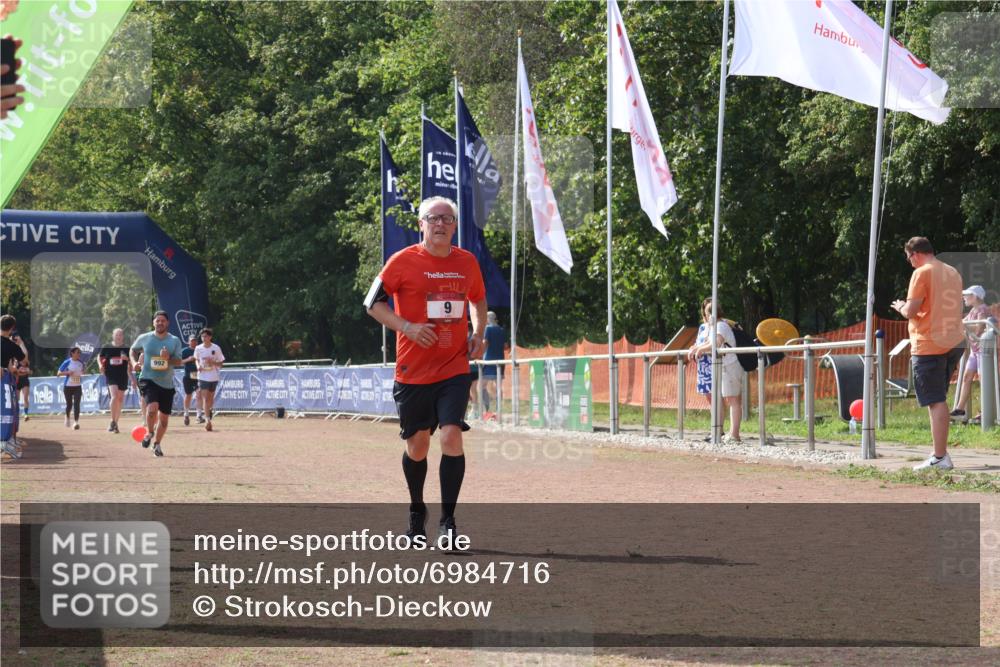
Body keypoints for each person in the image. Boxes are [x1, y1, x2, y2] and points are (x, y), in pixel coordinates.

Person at [364, 196, 487, 545]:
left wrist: (478, 334)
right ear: (421, 224)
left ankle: (448, 523)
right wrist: (407, 327)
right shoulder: (402, 261)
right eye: (433, 218)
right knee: (417, 447)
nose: (440, 224)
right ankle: (417, 511)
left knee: (451, 436)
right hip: (413, 370)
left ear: (455, 226)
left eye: (447, 219)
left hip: (454, 367)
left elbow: (478, 299)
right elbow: (372, 303)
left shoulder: (467, 262)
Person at [892, 236, 965, 471]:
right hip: (954, 341)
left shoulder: (921, 273)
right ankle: (939, 454)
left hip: (929, 344)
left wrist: (901, 307)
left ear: (915, 254)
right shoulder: (952, 271)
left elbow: (911, 310)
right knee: (938, 397)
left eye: (908, 258)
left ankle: (940, 456)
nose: (909, 262)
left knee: (935, 400)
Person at [688, 298, 744, 444]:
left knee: (733, 400)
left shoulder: (720, 326)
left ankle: (734, 435)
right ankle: (731, 434)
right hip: (724, 366)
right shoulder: (716, 326)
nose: (706, 317)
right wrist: (697, 348)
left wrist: (700, 349)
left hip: (730, 365)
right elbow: (709, 342)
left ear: (712, 314)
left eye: (708, 313)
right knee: (730, 399)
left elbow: (716, 343)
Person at [130, 311, 184, 457]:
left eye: (163, 321)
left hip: (166, 383)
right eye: (157, 320)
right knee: (152, 408)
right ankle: (149, 432)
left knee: (164, 420)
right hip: (148, 379)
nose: (160, 323)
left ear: (167, 323)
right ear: (153, 323)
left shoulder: (174, 340)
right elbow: (132, 350)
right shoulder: (145, 338)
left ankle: (157, 444)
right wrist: (134, 363)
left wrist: (167, 358)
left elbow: (178, 361)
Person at [951, 285, 991, 425]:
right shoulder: (974, 310)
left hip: (984, 352)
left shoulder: (982, 309)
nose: (964, 297)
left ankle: (986, 411)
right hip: (975, 351)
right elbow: (963, 324)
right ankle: (960, 409)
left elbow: (979, 329)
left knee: (983, 381)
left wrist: (963, 325)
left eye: (967, 295)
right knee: (967, 377)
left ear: (975, 297)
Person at [99, 328, 136, 434]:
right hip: (111, 375)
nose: (118, 336)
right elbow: (99, 357)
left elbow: (131, 363)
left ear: (123, 336)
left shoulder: (127, 348)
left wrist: (127, 359)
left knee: (120, 400)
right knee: (114, 396)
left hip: (122, 375)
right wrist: (100, 365)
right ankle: (112, 420)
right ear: (113, 336)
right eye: (117, 335)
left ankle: (115, 423)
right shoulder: (107, 347)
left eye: (120, 335)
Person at [194, 328, 225, 432]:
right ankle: (207, 420)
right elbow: (196, 359)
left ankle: (209, 410)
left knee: (211, 399)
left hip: (214, 376)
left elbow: (221, 363)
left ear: (210, 337)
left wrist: (213, 363)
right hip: (202, 377)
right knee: (205, 399)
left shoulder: (216, 348)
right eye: (202, 336)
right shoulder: (198, 348)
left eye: (206, 336)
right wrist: (198, 366)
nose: (204, 338)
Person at [481, 311, 507, 419]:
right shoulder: (501, 330)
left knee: (481, 386)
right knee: (498, 387)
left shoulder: (488, 329)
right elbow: (505, 346)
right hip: (500, 360)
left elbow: (485, 343)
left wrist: (479, 352)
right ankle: (498, 411)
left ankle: (487, 409)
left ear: (487, 319)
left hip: (488, 361)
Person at [57, 347, 84, 430]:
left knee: (77, 404)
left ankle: (76, 422)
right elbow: (58, 373)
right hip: (68, 386)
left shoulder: (81, 363)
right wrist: (67, 372)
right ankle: (67, 417)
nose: (79, 354)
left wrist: (82, 372)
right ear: (72, 353)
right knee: (69, 404)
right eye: (77, 352)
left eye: (79, 352)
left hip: (78, 386)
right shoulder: (67, 362)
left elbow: (82, 371)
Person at [180, 335, 200, 426]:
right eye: (192, 341)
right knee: (188, 395)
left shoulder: (200, 350)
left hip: (199, 376)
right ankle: (186, 414)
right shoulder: (185, 351)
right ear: (188, 342)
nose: (193, 342)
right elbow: (179, 362)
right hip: (188, 376)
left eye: (195, 340)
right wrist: (188, 359)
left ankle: (199, 415)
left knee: (199, 393)